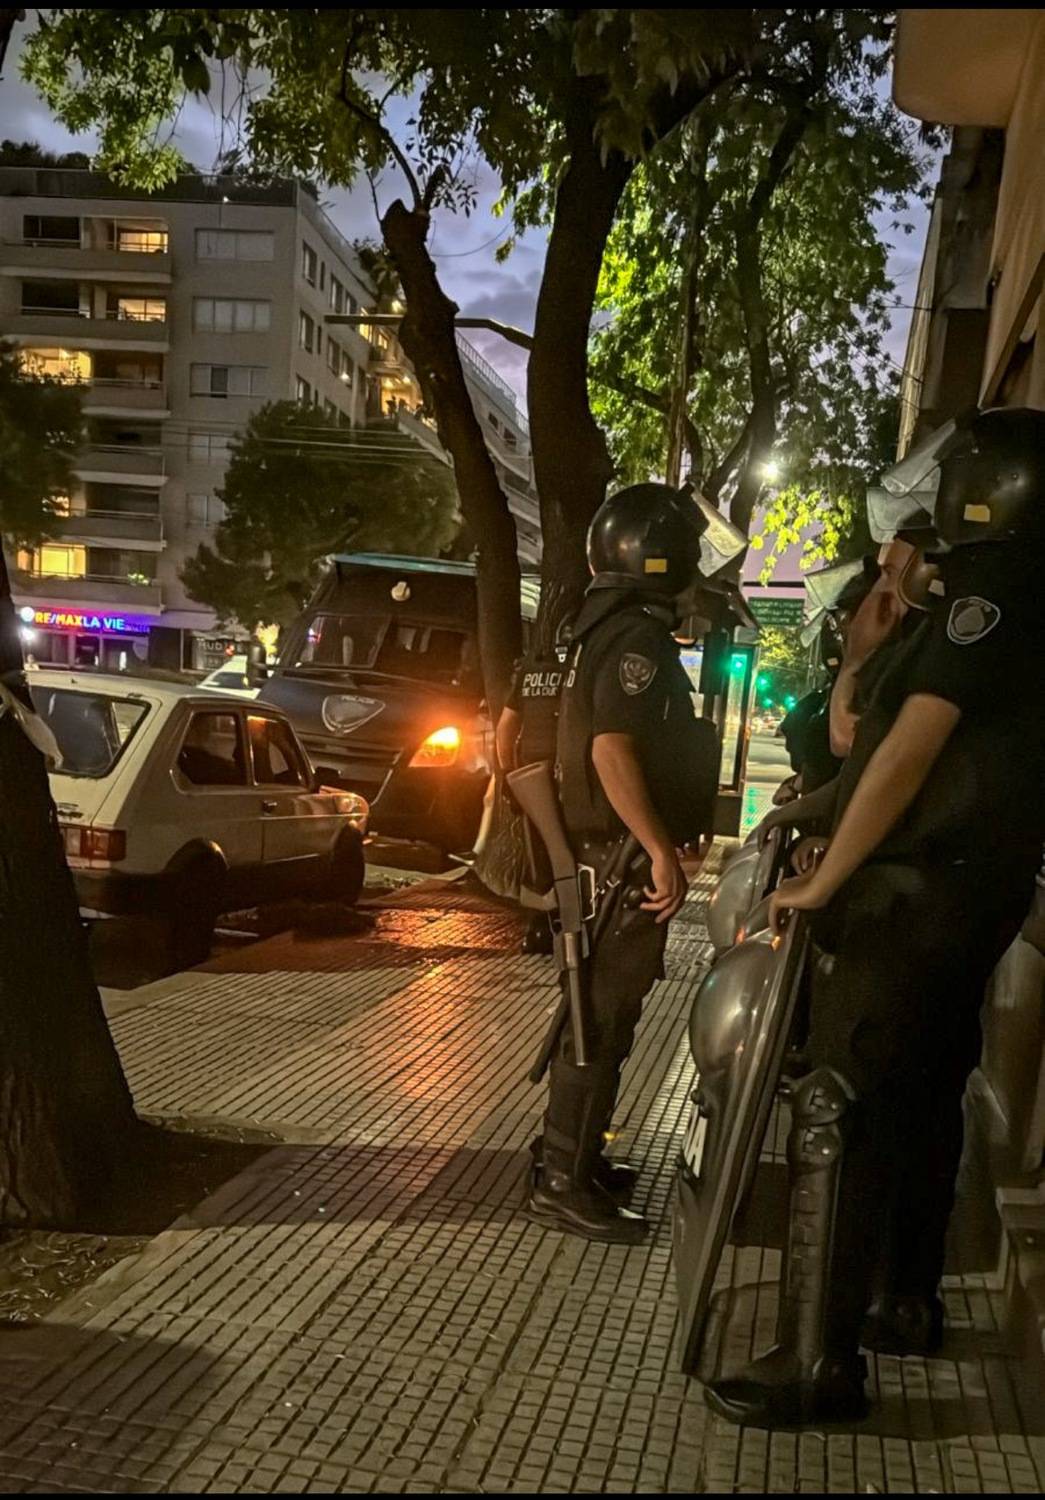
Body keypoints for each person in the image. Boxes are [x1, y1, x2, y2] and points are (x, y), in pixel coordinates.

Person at [706, 407, 1045, 1427]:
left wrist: (824, 878)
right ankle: (904, 1299)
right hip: (966, 893)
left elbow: (909, 748)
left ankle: (817, 1359)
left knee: (835, 1100)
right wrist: (818, 811)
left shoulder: (989, 601)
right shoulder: (1019, 596)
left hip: (914, 895)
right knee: (921, 1095)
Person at [526, 482, 738, 1245]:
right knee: (600, 1021)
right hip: (615, 863)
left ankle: (570, 1159)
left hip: (601, 860)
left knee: (596, 1014)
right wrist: (655, 848)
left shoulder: (600, 627)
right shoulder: (636, 639)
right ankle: (561, 1181)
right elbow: (610, 751)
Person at [496, 623, 573, 953]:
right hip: (566, 778)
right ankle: (562, 924)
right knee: (567, 851)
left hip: (529, 776)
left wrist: (509, 773)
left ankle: (538, 926)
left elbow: (506, 727)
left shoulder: (530, 670)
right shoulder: (576, 670)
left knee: (537, 852)